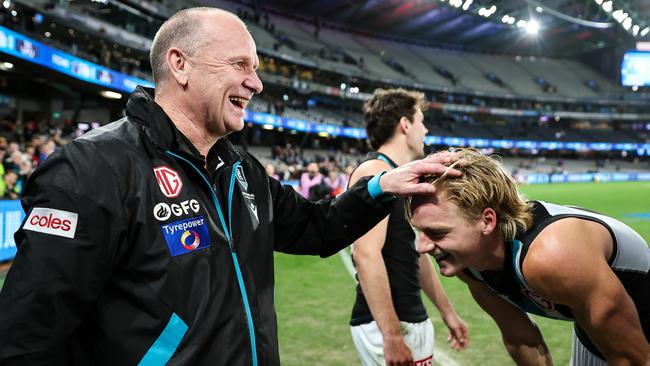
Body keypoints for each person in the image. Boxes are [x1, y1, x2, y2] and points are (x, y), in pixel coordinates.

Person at [0, 7, 460, 366]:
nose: (255, 82)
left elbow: (318, 228)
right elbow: (27, 336)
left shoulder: (241, 170)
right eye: (240, 64)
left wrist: (383, 187)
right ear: (180, 65)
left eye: (256, 67)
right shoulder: (93, 169)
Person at [407, 148, 650, 365]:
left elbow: (633, 357)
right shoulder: (467, 263)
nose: (423, 247)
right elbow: (521, 338)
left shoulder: (552, 256)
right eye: (421, 232)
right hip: (595, 329)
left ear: (487, 221)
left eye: (436, 233)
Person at [349, 88, 469, 366]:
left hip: (409, 317)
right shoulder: (373, 172)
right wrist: (391, 335)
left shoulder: (397, 175)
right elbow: (365, 254)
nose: (425, 130)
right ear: (405, 125)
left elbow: (414, 251)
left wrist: (447, 312)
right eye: (421, 120)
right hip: (390, 325)